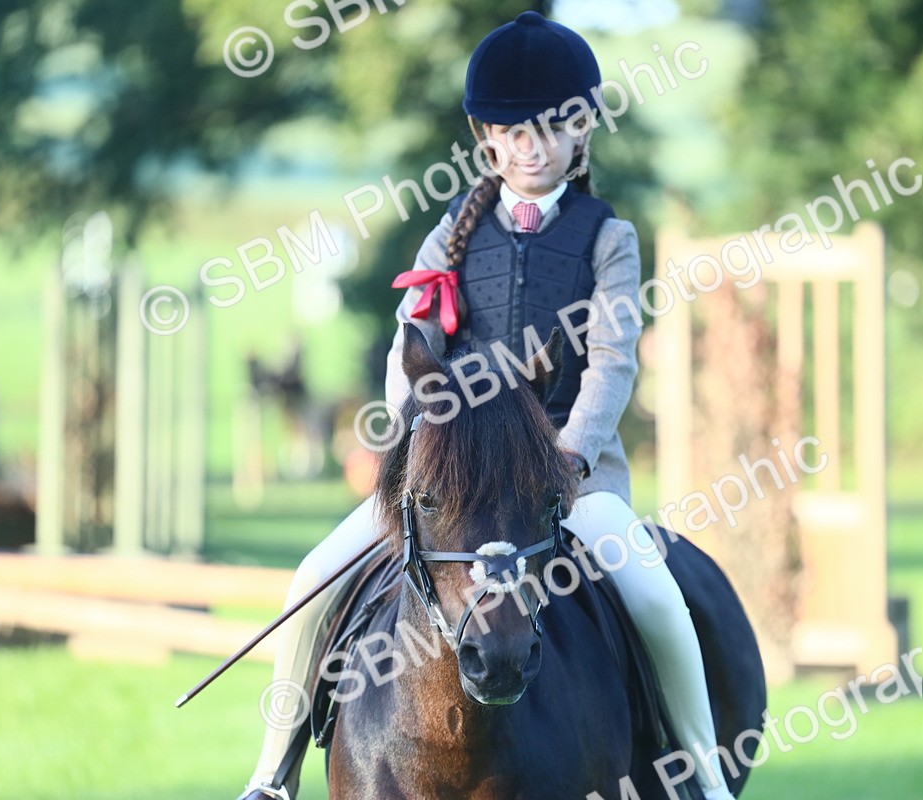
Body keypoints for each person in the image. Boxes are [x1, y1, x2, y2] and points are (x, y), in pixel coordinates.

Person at [240, 13, 733, 800]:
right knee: (311, 578)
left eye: (552, 129)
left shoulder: (608, 238)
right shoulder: (451, 236)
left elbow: (611, 362)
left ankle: (703, 775)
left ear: (582, 130)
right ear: (487, 138)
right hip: (458, 483)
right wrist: (417, 443)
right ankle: (272, 773)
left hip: (569, 479)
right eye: (515, 132)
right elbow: (410, 350)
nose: (533, 148)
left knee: (655, 594)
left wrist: (569, 456)